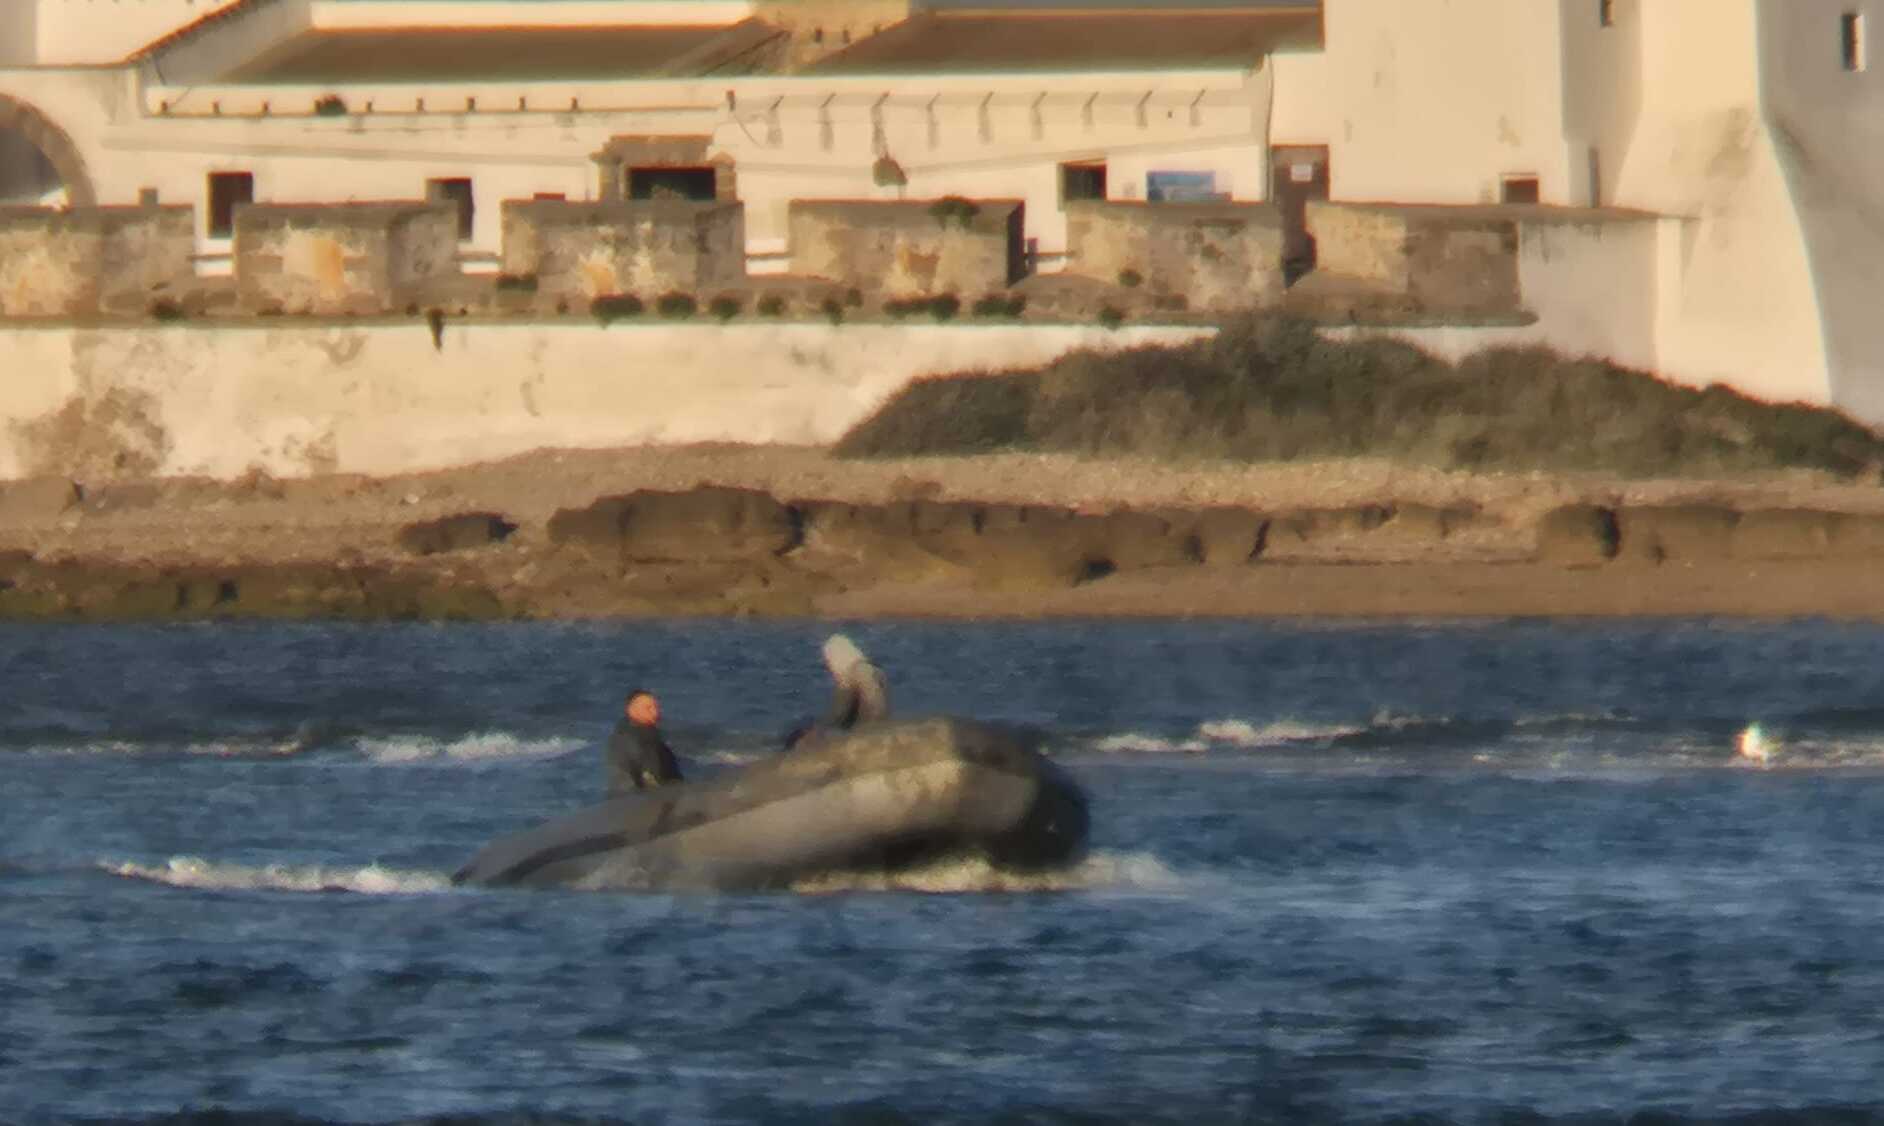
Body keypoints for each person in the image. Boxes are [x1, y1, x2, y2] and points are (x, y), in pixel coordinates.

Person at [783, 634, 892, 749]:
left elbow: (839, 713)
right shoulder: (876, 670)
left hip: (866, 733)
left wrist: (818, 728)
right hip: (880, 728)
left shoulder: (850, 674)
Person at [605, 688, 683, 795]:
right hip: (629, 805)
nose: (655, 712)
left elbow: (675, 779)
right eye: (648, 708)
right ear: (632, 710)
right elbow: (622, 786)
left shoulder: (659, 743)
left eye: (656, 708)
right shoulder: (622, 742)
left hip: (659, 801)